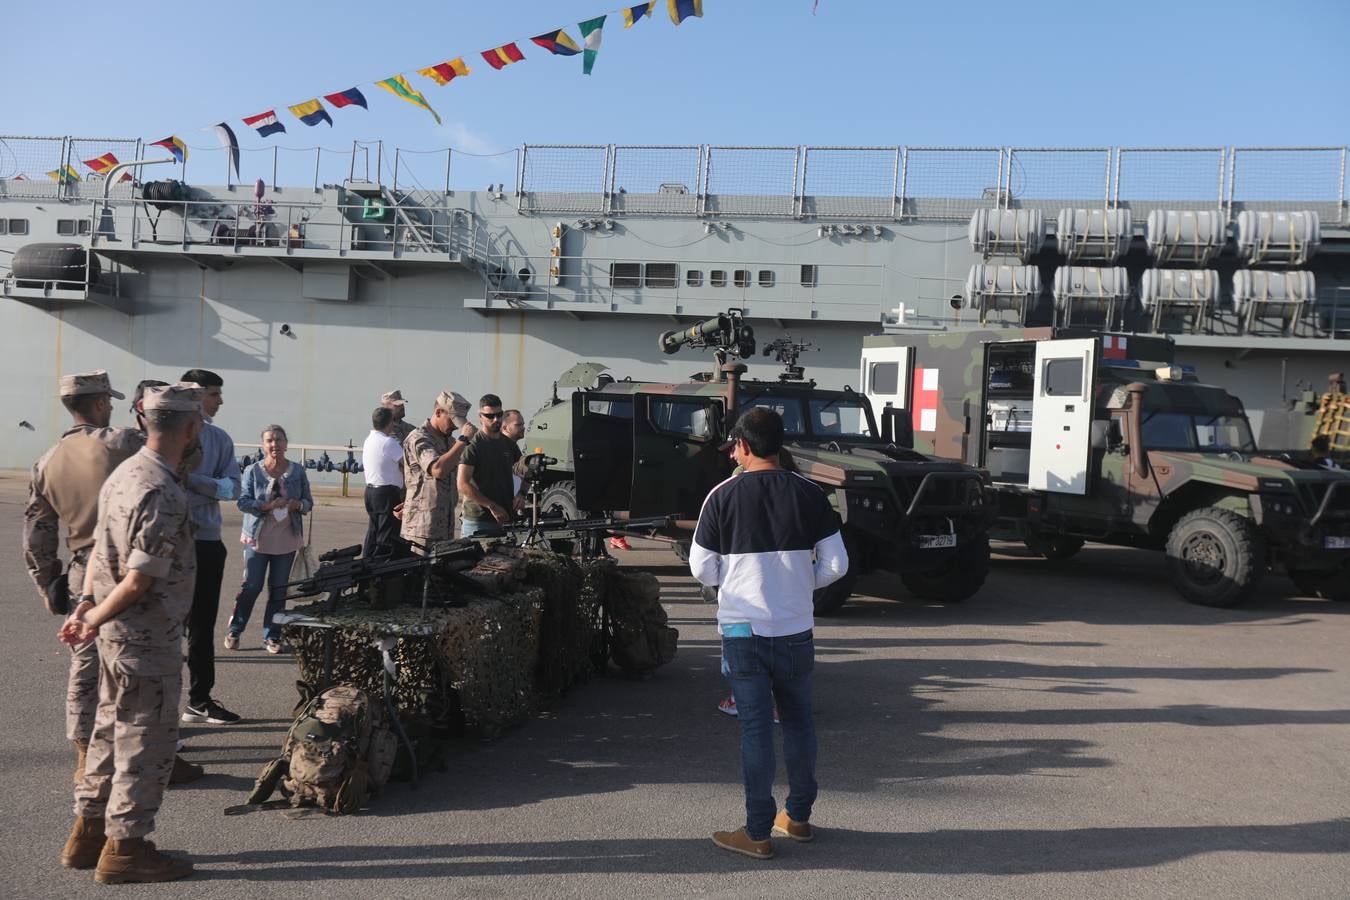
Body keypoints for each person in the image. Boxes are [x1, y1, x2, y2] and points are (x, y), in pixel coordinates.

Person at [59, 384, 204, 884]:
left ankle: (87, 835)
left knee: (105, 734)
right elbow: (141, 579)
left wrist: (85, 606)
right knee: (145, 744)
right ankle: (127, 849)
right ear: (190, 428)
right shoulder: (161, 490)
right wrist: (91, 617)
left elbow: (98, 549)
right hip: (146, 638)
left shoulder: (125, 473)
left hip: (115, 637)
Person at [689, 408, 848, 860]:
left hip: (743, 629)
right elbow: (837, 565)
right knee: (799, 721)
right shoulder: (812, 494)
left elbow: (702, 566)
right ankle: (798, 818)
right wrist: (799, 585)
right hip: (795, 627)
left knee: (755, 728)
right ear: (779, 445)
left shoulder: (721, 495)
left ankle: (757, 832)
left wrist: (733, 582)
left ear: (741, 445)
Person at [24, 372, 150, 787]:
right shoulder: (122, 442)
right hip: (130, 564)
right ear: (99, 404)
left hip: (82, 569)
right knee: (140, 656)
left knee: (85, 662)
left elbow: (38, 531)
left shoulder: (47, 459)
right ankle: (139, 749)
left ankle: (84, 751)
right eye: (107, 402)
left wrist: (47, 584)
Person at [178, 369, 242, 726]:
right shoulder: (164, 435)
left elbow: (232, 489)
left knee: (202, 627)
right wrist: (208, 486)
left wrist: (194, 481)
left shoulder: (220, 439)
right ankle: (155, 714)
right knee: (166, 628)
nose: (220, 401)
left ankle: (199, 700)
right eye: (215, 394)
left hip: (206, 543)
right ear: (195, 394)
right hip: (169, 544)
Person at [225, 425, 313, 653]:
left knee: (278, 590)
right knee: (251, 586)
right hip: (258, 538)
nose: (275, 445)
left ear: (286, 443)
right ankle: (235, 629)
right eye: (270, 441)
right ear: (263, 445)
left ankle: (272, 636)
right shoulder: (253, 471)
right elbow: (243, 502)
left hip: (286, 540)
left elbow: (308, 502)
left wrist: (298, 505)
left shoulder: (298, 471)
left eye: (279, 440)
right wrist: (265, 506)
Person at [401, 390, 474, 552]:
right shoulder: (419, 438)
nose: (456, 426)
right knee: (418, 576)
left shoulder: (450, 441)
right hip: (422, 530)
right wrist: (463, 440)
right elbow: (438, 470)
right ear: (438, 412)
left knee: (439, 576)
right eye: (452, 420)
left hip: (444, 528)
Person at [458, 394, 526, 537]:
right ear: (480, 416)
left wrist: (522, 493)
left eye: (499, 415)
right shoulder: (473, 445)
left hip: (504, 522)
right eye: (490, 416)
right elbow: (462, 484)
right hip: (479, 522)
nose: (496, 420)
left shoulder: (508, 444)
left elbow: (526, 470)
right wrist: (492, 506)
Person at [362, 406, 406, 559]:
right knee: (387, 535)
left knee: (373, 532)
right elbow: (407, 463)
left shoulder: (369, 440)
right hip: (386, 494)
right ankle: (380, 569)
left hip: (371, 492)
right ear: (390, 423)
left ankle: (366, 565)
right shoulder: (388, 442)